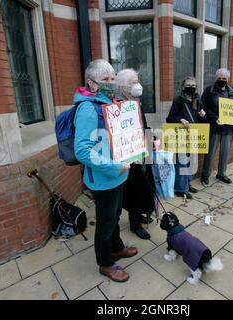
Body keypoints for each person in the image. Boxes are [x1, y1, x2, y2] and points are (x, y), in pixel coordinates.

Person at [74, 59, 136, 283]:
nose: (111, 83)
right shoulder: (88, 109)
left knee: (116, 214)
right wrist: (114, 166)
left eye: (112, 78)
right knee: (105, 223)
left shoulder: (111, 104)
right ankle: (105, 263)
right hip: (103, 178)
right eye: (105, 80)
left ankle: (116, 247)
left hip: (118, 175)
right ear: (91, 84)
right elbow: (82, 150)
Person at [116, 68, 155, 240]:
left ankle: (140, 212)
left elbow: (142, 124)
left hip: (143, 148)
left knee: (144, 184)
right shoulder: (118, 105)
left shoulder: (136, 101)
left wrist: (150, 139)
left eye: (137, 81)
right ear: (124, 87)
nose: (138, 85)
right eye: (133, 82)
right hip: (130, 153)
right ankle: (135, 224)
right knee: (134, 188)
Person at [166, 76, 206, 199]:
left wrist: (203, 115)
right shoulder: (178, 100)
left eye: (193, 86)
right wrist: (180, 119)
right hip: (181, 136)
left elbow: (201, 118)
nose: (191, 88)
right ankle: (180, 188)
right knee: (182, 164)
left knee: (191, 163)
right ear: (183, 87)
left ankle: (187, 184)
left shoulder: (197, 100)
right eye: (189, 85)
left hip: (194, 136)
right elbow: (169, 118)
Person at [200, 68, 233, 185]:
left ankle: (222, 173)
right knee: (210, 152)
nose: (222, 80)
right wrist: (215, 118)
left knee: (225, 152)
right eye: (219, 78)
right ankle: (205, 174)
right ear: (216, 78)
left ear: (228, 79)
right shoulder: (208, 91)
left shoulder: (232, 92)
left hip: (228, 128)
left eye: (224, 78)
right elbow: (203, 107)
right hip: (214, 126)